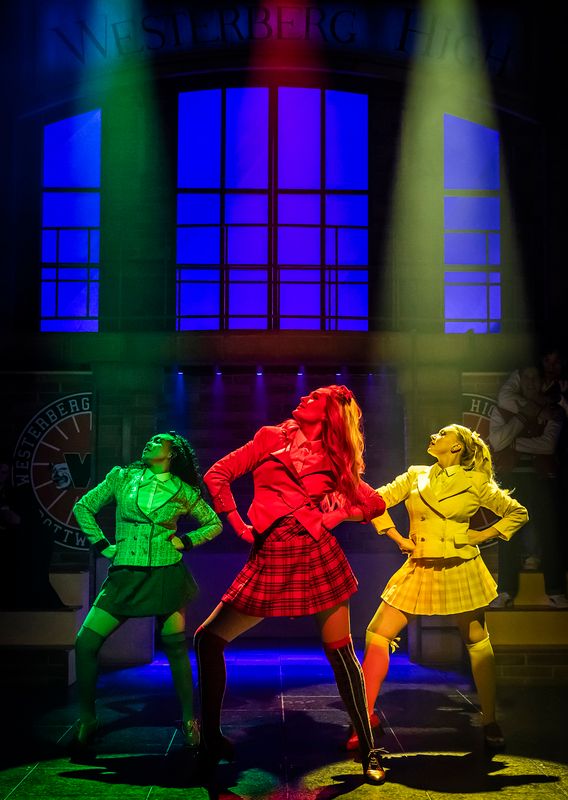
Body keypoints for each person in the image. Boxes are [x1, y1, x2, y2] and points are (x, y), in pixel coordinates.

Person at [194, 385, 388, 784]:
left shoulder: (337, 458)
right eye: (306, 395)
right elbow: (218, 474)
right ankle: (211, 737)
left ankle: (369, 749)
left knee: (342, 654)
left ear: (331, 413)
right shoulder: (269, 437)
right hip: (271, 553)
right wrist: (239, 527)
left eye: (315, 398)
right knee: (207, 639)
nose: (303, 398)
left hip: (318, 554)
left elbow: (373, 504)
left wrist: (330, 514)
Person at [346, 424, 528, 753]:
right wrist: (394, 535)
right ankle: (365, 717)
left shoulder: (476, 482)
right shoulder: (415, 475)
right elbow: (377, 501)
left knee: (476, 640)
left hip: (460, 565)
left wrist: (479, 536)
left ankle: (490, 719)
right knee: (378, 633)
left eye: (444, 433)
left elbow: (517, 513)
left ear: (457, 447)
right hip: (421, 565)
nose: (434, 435)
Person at [71, 431, 222, 750]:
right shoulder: (122, 477)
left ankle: (188, 719)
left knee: (176, 648)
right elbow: (84, 506)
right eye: (149, 439)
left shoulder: (183, 490)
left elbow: (213, 523)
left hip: (167, 573)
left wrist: (186, 540)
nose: (150, 443)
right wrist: (103, 544)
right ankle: (87, 719)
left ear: (172, 453)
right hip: (126, 571)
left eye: (159, 441)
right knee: (85, 643)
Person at [488, 364, 568, 608]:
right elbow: (497, 441)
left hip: (543, 478)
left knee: (549, 532)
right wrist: (525, 417)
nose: (532, 382)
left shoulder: (555, 410)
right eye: (527, 377)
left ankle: (555, 589)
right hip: (511, 478)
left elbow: (547, 446)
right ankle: (506, 591)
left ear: (543, 382)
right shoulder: (503, 408)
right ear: (519, 380)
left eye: (536, 377)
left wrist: (513, 444)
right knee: (507, 533)